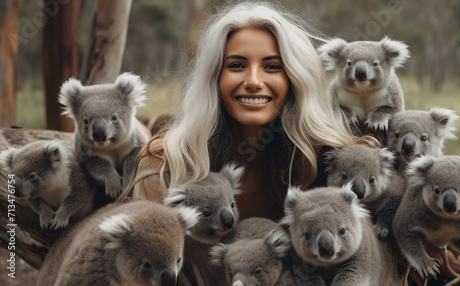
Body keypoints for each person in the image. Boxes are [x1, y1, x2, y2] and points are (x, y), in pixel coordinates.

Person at [119, 2, 366, 284]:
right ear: (215, 77)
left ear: (295, 79)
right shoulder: (166, 163)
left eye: (272, 67)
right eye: (236, 65)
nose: (253, 81)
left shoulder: (330, 158)